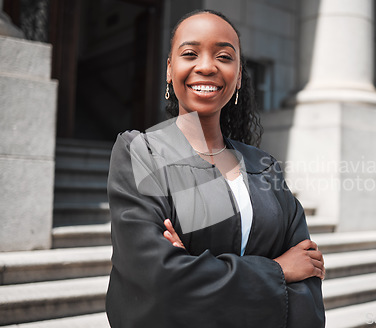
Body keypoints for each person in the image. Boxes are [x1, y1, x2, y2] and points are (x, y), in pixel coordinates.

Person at [106, 9, 326, 328]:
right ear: (170, 69)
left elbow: (307, 277)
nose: (207, 66)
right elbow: (158, 284)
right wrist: (279, 271)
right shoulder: (143, 152)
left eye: (224, 56)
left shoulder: (264, 168)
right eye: (190, 53)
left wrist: (194, 270)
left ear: (238, 77)